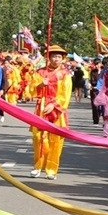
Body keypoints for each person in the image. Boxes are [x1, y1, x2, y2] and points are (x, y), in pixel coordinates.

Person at [28, 46, 72, 179]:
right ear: (49, 57)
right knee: (38, 137)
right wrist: (41, 85)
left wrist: (54, 104)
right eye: (54, 56)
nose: (56, 59)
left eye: (59, 57)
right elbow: (30, 90)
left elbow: (66, 94)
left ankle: (52, 169)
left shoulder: (65, 74)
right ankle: (37, 166)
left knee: (55, 139)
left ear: (62, 59)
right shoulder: (40, 72)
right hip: (41, 107)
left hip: (57, 111)